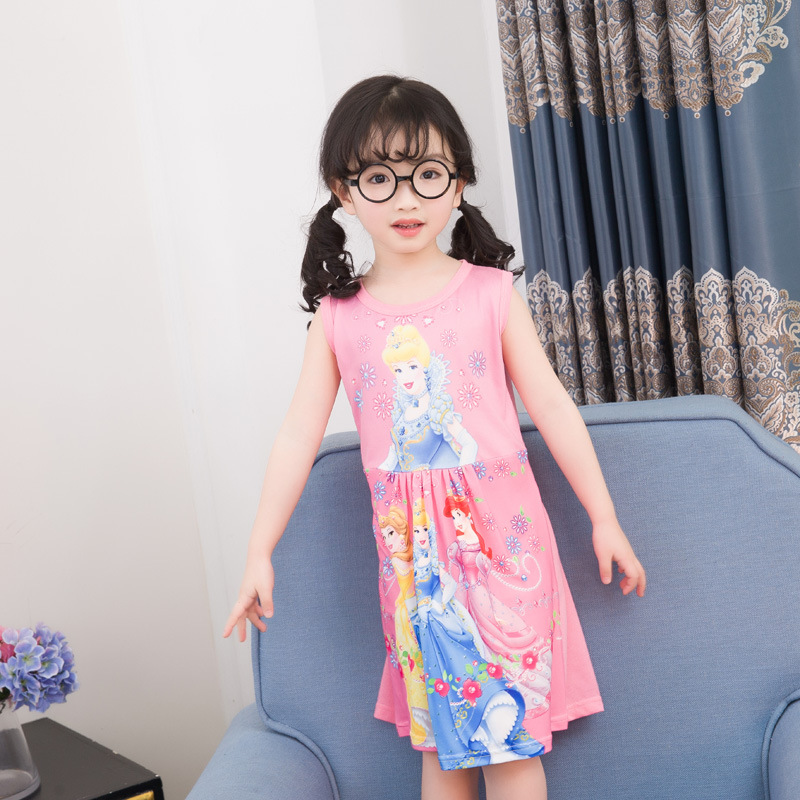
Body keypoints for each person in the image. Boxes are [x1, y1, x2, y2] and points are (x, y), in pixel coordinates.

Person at [224, 75, 646, 800]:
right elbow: (297, 434)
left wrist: (603, 517)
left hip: (503, 550)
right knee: (441, 746)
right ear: (345, 191)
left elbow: (552, 405)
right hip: (413, 566)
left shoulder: (490, 293)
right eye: (380, 178)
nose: (407, 199)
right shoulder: (338, 317)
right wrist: (259, 550)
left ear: (458, 183)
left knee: (507, 741)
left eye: (427, 174)